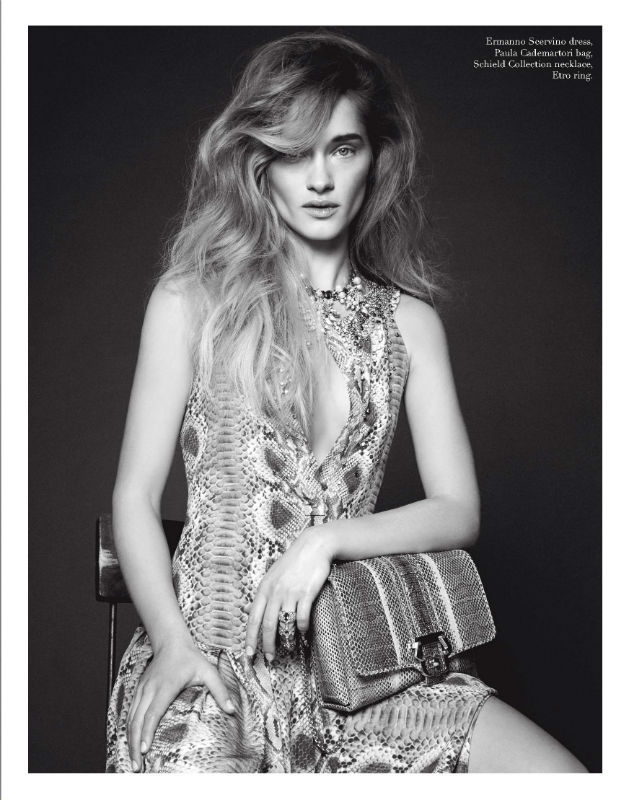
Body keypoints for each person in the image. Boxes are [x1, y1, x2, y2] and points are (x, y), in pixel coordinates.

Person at [106, 30, 587, 773]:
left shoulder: (409, 324)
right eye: (295, 153)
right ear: (260, 164)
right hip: (210, 662)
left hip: (358, 672)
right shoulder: (192, 302)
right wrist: (170, 642)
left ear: (375, 158)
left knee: (562, 779)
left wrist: (323, 541)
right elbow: (134, 497)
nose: (321, 178)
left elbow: (457, 510)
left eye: (343, 148)